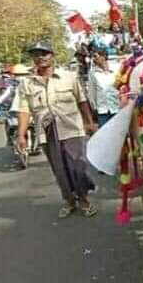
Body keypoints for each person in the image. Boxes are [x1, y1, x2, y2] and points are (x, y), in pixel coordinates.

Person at [11, 41, 98, 218]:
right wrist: (21, 135)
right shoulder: (26, 83)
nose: (40, 57)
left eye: (44, 53)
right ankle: (69, 201)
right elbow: (24, 110)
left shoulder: (69, 77)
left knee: (78, 167)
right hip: (47, 132)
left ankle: (84, 199)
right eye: (36, 54)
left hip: (72, 128)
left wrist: (89, 122)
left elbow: (82, 101)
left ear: (52, 55)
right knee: (59, 170)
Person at [88, 46, 120, 127]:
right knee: (104, 137)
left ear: (103, 56)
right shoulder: (93, 73)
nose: (93, 59)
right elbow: (92, 92)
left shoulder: (116, 69)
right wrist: (94, 108)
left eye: (95, 56)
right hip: (102, 112)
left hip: (117, 108)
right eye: (92, 56)